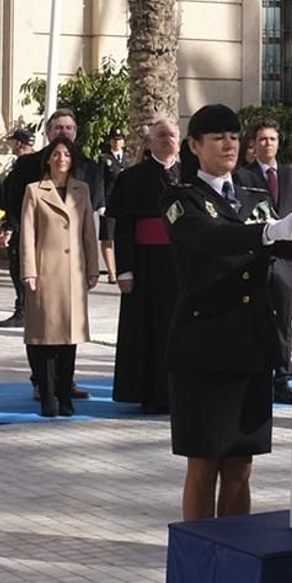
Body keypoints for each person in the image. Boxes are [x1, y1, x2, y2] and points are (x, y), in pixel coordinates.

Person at [165, 102, 292, 521]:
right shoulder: (181, 198)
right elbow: (212, 238)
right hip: (204, 346)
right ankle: (202, 553)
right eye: (218, 137)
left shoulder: (254, 197)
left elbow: (281, 246)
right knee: (203, 464)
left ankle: (236, 551)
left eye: (235, 137)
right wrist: (269, 231)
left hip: (250, 344)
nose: (229, 144)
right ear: (194, 145)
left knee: (241, 464)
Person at [19, 138, 101, 413]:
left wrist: (92, 267)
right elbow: (28, 235)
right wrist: (29, 270)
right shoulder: (34, 190)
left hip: (74, 274)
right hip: (45, 273)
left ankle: (65, 396)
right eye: (56, 153)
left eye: (66, 154)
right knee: (46, 339)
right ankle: (47, 396)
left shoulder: (82, 190)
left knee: (69, 340)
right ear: (48, 159)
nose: (61, 158)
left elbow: (88, 233)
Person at [108, 117, 182, 411]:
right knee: (148, 330)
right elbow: (123, 228)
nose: (167, 140)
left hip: (183, 264)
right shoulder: (131, 177)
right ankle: (151, 394)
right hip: (146, 265)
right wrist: (124, 269)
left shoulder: (190, 174)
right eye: (161, 135)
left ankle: (180, 392)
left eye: (172, 135)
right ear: (150, 142)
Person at [240, 119, 292, 402]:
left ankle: (283, 376)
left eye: (272, 139)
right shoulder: (243, 176)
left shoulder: (291, 175)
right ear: (253, 143)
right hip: (257, 258)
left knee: (284, 320)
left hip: (286, 260)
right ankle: (259, 373)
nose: (268, 144)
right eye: (262, 139)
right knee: (257, 318)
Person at [0, 125, 39, 325]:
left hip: (22, 225)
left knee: (19, 269)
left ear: (20, 144)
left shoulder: (23, 166)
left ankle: (23, 311)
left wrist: (10, 227)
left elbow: (17, 198)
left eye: (13, 142)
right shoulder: (36, 164)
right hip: (25, 223)